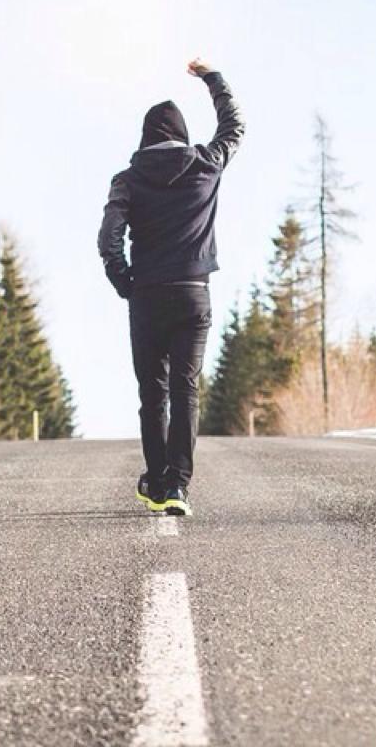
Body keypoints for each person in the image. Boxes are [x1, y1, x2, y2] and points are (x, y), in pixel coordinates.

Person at [97, 59, 245, 516]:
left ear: (145, 139)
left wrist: (125, 282)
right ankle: (178, 487)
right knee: (186, 390)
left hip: (147, 296)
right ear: (181, 134)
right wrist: (212, 77)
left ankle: (156, 480)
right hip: (192, 292)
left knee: (152, 394)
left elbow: (109, 238)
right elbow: (234, 126)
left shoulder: (127, 179)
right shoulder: (205, 164)